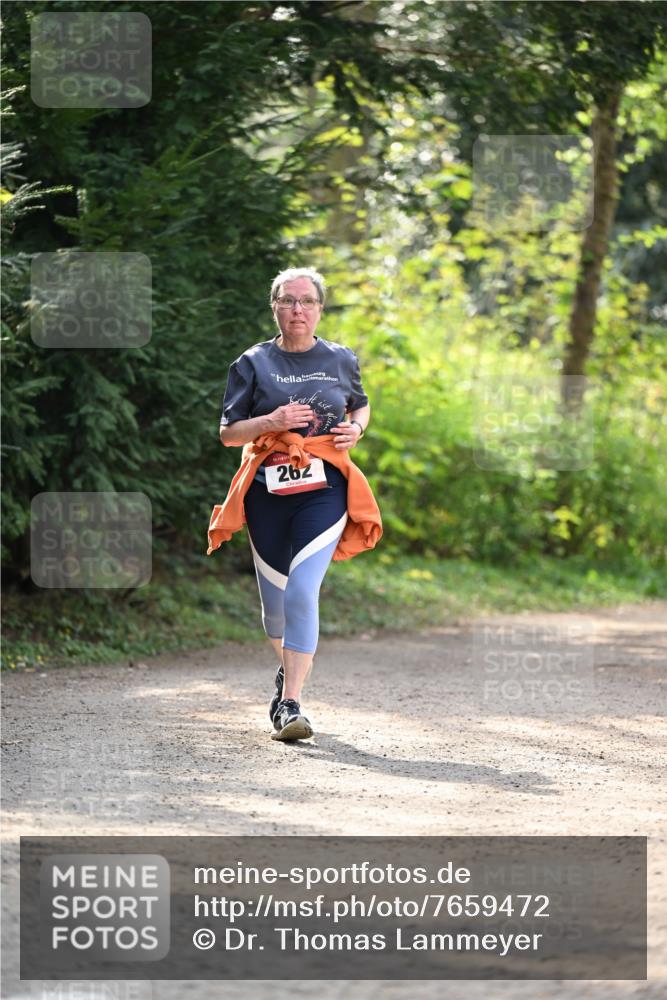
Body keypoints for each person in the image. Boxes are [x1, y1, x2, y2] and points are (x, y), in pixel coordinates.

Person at [211, 266, 381, 742]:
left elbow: (359, 403)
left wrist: (357, 428)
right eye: (288, 301)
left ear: (320, 308)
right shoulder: (251, 363)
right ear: (275, 307)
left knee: (303, 590)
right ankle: (288, 673)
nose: (298, 309)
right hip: (267, 493)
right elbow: (228, 434)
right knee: (275, 608)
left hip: (325, 489)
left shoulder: (340, 358)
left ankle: (290, 705)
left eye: (307, 301)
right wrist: (273, 419)